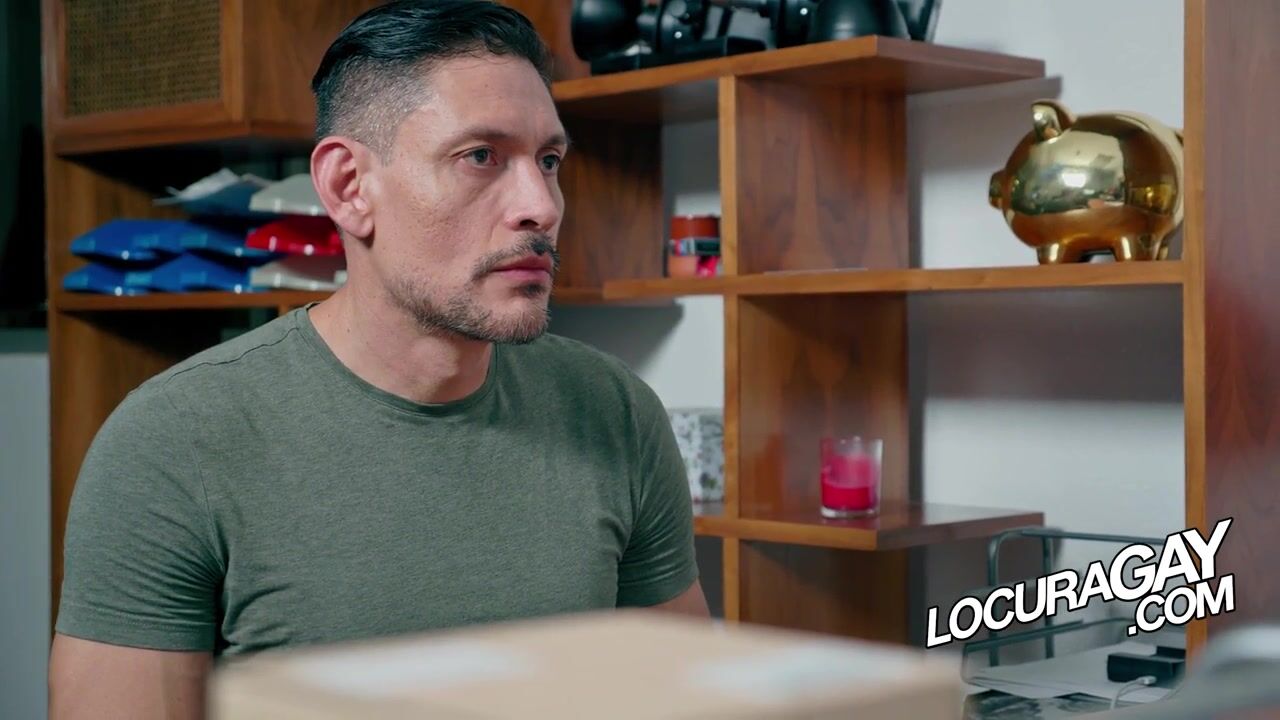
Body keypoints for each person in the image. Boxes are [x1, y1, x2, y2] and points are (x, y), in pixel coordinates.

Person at [48, 1, 708, 717]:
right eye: (481, 156)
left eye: (548, 161)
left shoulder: (615, 411)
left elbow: (682, 698)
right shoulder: (175, 443)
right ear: (349, 187)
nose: (541, 206)